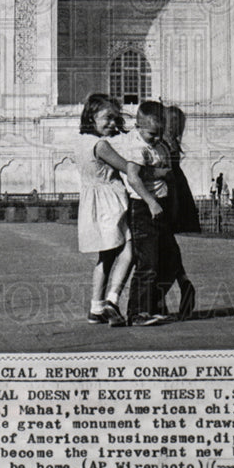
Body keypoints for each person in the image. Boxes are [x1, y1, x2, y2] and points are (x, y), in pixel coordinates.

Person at [110, 100, 177, 326]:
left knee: (166, 261)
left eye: (160, 133)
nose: (156, 138)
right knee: (147, 262)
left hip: (159, 206)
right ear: (138, 127)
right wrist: (151, 202)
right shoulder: (137, 147)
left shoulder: (155, 145)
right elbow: (133, 177)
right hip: (144, 208)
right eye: (151, 134)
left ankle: (154, 305)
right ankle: (137, 313)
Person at [75, 94, 136, 327]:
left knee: (106, 256)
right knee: (129, 250)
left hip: (93, 202)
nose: (112, 123)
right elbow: (127, 168)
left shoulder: (80, 142)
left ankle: (95, 307)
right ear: (92, 117)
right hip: (110, 201)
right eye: (108, 118)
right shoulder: (100, 145)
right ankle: (112, 299)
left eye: (115, 119)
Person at [161, 105, 198, 321]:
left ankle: (163, 295)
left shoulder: (163, 144)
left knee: (163, 246)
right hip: (177, 194)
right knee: (167, 244)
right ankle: (181, 284)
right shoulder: (173, 142)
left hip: (167, 195)